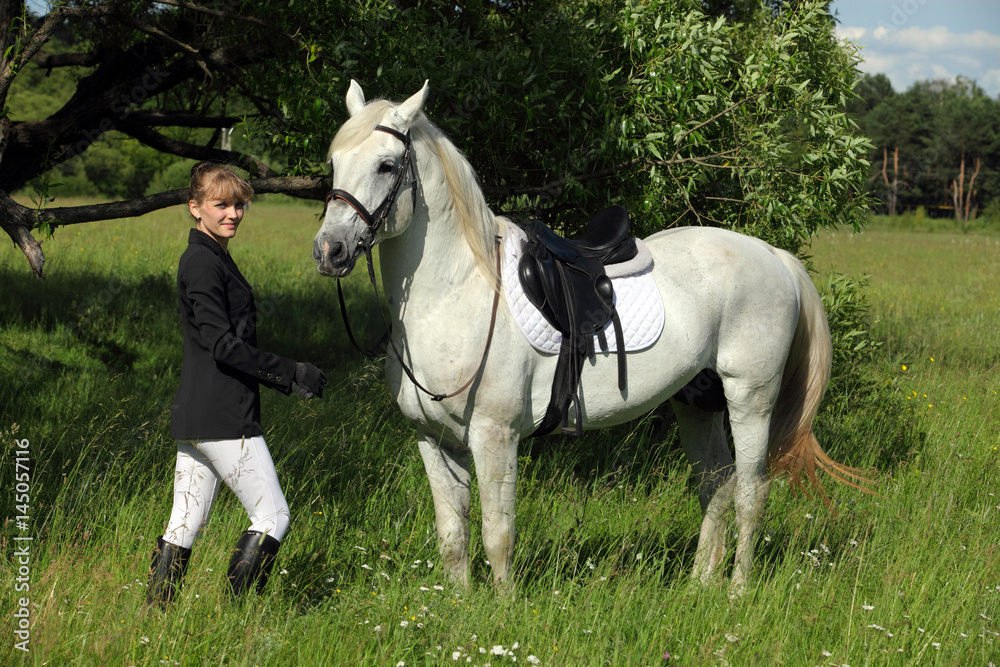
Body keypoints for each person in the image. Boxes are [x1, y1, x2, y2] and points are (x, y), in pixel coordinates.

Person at [147, 162, 327, 608]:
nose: (233, 213)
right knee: (273, 515)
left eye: (239, 204)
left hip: (198, 415)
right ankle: (236, 618)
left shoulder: (210, 256)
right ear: (195, 208)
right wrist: (292, 372)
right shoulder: (202, 263)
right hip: (223, 415)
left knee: (184, 523)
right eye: (220, 204)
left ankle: (154, 618)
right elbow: (223, 347)